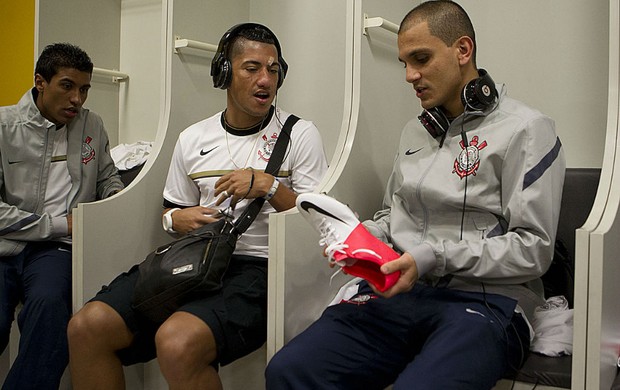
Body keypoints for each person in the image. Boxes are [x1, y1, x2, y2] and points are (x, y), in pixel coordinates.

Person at [265, 1, 566, 389]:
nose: (410, 75)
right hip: (398, 296)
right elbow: (395, 214)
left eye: (420, 59)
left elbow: (533, 248)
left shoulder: (527, 129)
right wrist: (361, 237)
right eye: (404, 62)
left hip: (485, 303)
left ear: (463, 50)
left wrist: (431, 257)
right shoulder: (415, 132)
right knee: (289, 370)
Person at [67, 23, 328, 390]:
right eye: (252, 68)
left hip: (262, 269)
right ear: (224, 72)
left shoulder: (300, 134)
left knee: (177, 342)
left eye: (273, 69)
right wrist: (178, 219)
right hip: (197, 260)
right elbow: (171, 213)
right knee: (88, 326)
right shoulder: (193, 138)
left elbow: (323, 223)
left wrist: (269, 187)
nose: (265, 80)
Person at [0, 43, 124, 390]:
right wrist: (57, 224)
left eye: (84, 89)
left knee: (50, 307)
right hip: (6, 244)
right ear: (40, 82)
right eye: (67, 86)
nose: (77, 99)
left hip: (55, 250)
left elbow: (107, 177)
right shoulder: (3, 126)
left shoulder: (91, 125)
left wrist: (114, 203)